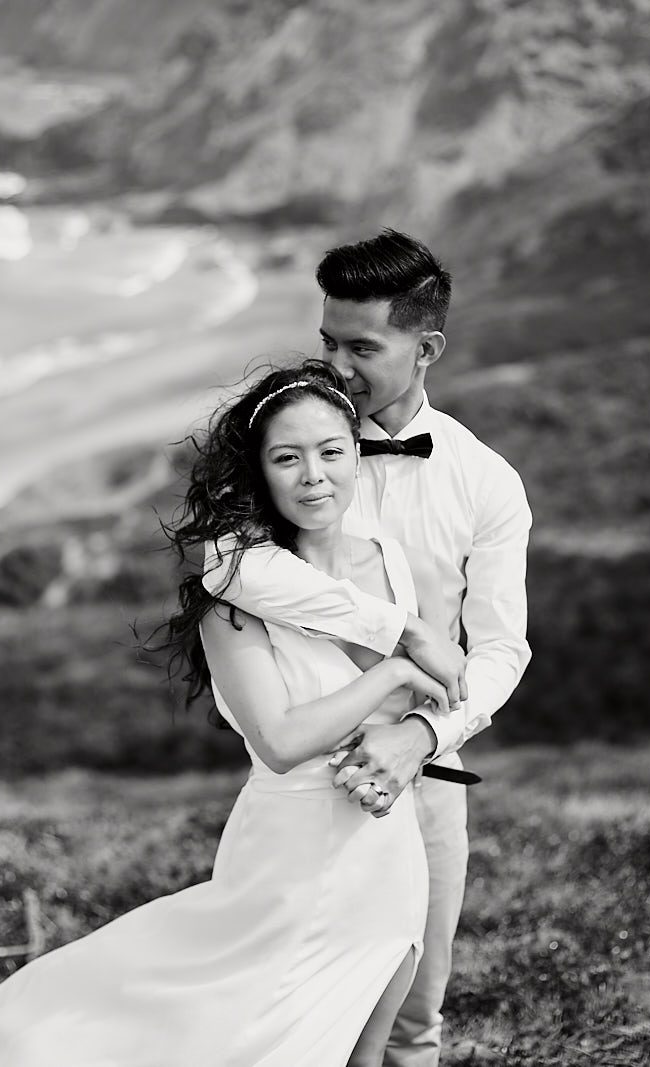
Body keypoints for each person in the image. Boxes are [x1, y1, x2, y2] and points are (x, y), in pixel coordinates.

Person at [0, 362, 453, 1066]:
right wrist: (395, 670)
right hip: (294, 855)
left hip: (387, 843)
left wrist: (411, 735)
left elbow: (454, 689)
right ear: (260, 472)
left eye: (331, 451)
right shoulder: (232, 601)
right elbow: (281, 741)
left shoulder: (397, 564)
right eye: (287, 458)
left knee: (363, 1049)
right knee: (239, 1038)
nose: (314, 476)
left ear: (357, 454)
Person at [202, 229, 532, 1066]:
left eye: (362, 348)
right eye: (328, 343)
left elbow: (502, 651)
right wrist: (400, 631)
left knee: (411, 1022)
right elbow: (226, 564)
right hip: (304, 794)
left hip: (428, 783)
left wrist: (421, 733)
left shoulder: (485, 481)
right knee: (277, 1017)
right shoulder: (289, 444)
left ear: (427, 349)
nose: (336, 367)